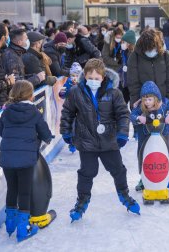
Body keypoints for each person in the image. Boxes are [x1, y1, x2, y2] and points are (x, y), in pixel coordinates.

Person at [60, 58, 140, 222]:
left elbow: (123, 115)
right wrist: (66, 132)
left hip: (109, 141)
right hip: (86, 141)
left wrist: (122, 133)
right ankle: (82, 201)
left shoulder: (114, 93)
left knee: (118, 169)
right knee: (86, 172)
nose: (93, 81)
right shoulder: (76, 92)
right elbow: (67, 113)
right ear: (85, 77)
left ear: (103, 78)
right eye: (90, 78)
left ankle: (124, 195)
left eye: (97, 78)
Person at [127, 29, 169, 190]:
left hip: (164, 105)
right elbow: (132, 83)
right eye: (147, 48)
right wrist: (136, 105)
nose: (151, 51)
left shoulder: (165, 55)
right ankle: (144, 176)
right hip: (145, 107)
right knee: (143, 142)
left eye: (153, 47)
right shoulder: (135, 57)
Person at [0, 80, 53, 242]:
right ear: (30, 96)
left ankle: (10, 224)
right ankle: (23, 229)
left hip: (8, 158)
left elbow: (2, 132)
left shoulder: (6, 112)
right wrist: (48, 138)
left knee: (12, 189)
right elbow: (44, 132)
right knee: (24, 191)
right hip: (26, 160)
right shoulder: (34, 112)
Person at [130, 81, 169, 190]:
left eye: (149, 99)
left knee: (168, 153)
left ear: (156, 98)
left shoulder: (165, 103)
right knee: (142, 152)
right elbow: (132, 115)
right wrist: (138, 118)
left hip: (164, 134)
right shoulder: (141, 107)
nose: (147, 102)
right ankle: (143, 177)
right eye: (145, 100)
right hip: (147, 135)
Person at [118, 30, 136, 105]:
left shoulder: (134, 54)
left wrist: (129, 69)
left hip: (132, 84)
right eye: (122, 42)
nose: (122, 44)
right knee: (122, 104)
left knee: (133, 105)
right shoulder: (123, 52)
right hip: (123, 82)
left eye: (124, 42)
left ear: (129, 43)